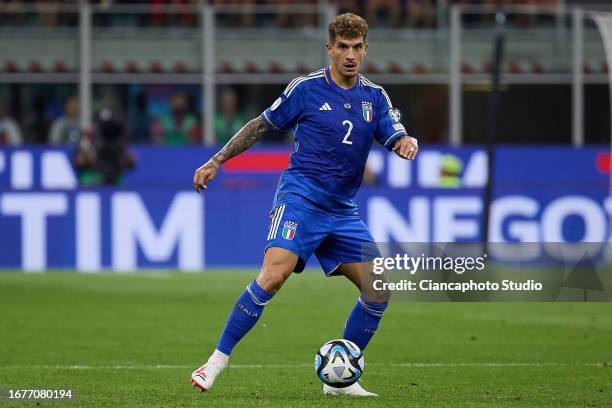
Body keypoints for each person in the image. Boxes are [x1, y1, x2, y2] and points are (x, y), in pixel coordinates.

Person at [191, 13, 418, 397]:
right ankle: (215, 361)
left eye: (357, 47)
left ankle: (342, 375)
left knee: (378, 288)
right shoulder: (307, 89)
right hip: (301, 198)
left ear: (365, 49)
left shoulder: (375, 97)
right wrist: (216, 160)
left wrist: (404, 142)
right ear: (329, 48)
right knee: (273, 275)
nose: (350, 55)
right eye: (342, 47)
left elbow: (392, 132)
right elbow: (261, 125)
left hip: (342, 210)